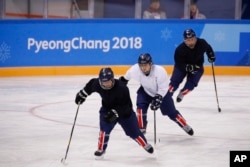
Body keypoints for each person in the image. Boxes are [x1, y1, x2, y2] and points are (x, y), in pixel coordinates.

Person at [75, 67, 154, 159]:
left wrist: (116, 112)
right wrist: (82, 94)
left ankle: (145, 144)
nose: (106, 84)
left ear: (112, 79)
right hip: (107, 109)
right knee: (104, 130)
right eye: (104, 82)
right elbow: (90, 85)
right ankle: (101, 150)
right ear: (100, 80)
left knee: (134, 133)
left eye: (108, 81)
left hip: (125, 113)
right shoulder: (97, 83)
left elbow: (127, 107)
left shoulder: (122, 88)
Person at [119, 53, 194, 136]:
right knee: (140, 109)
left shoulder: (160, 71)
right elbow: (125, 79)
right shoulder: (134, 70)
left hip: (163, 93)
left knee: (172, 113)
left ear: (151, 64)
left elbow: (164, 88)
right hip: (145, 91)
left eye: (146, 65)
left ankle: (184, 125)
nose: (143, 68)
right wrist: (120, 86)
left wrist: (158, 98)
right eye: (141, 65)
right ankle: (141, 128)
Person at [168, 29, 216, 103]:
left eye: (192, 39)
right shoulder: (179, 50)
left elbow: (208, 48)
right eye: (188, 40)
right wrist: (188, 67)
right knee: (174, 82)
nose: (191, 42)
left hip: (197, 66)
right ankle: (166, 96)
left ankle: (182, 93)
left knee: (191, 85)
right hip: (181, 67)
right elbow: (179, 63)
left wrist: (211, 55)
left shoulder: (202, 43)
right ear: (184, 40)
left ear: (195, 38)